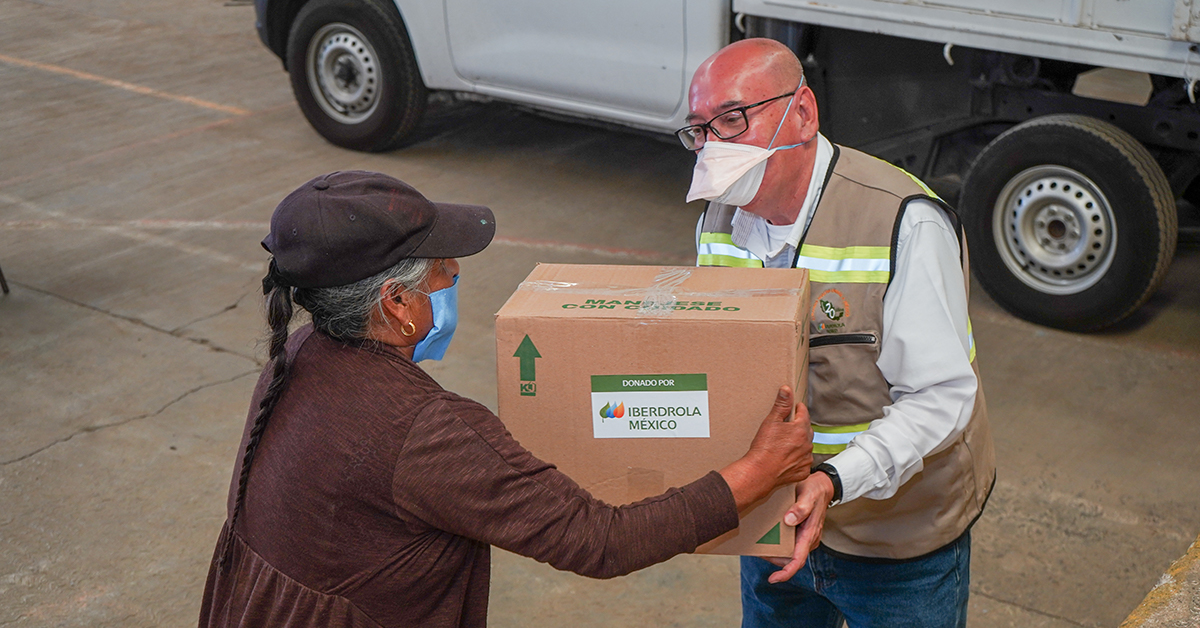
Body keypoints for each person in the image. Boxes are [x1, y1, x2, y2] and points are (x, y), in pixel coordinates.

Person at [198, 170, 816, 628]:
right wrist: (753, 475)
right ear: (396, 303)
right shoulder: (423, 429)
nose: (455, 278)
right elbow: (599, 540)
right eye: (443, 269)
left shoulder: (302, 351)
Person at [676, 39, 996, 627]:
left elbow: (942, 398)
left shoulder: (901, 221)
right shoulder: (716, 223)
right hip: (773, 523)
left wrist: (833, 480)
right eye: (700, 130)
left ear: (801, 113)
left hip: (897, 540)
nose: (713, 146)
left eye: (732, 119)